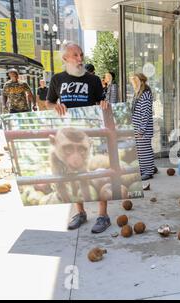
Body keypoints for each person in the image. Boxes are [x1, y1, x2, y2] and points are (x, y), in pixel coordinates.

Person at [46, 42, 111, 234]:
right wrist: (54, 107)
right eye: (75, 55)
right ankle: (80, 212)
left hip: (90, 132)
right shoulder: (57, 79)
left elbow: (101, 101)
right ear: (65, 58)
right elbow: (49, 102)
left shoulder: (94, 79)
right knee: (71, 174)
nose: (80, 58)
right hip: (68, 130)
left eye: (81, 54)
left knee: (98, 171)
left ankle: (103, 215)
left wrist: (103, 104)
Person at [130, 73, 155, 181]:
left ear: (141, 81)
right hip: (138, 127)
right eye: (132, 81)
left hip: (143, 129)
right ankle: (144, 169)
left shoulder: (145, 94)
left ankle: (148, 172)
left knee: (145, 150)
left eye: (135, 80)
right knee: (140, 151)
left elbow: (145, 114)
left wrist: (141, 130)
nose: (133, 83)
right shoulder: (138, 93)